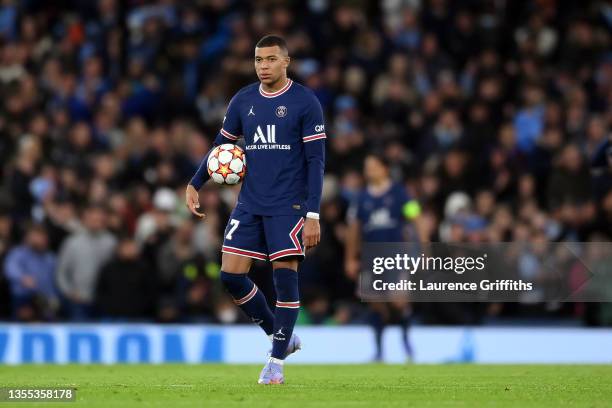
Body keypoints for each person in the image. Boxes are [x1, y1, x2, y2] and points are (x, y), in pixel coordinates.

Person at [185, 35, 326, 384]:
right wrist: (195, 182)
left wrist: (313, 213)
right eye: (258, 59)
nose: (263, 66)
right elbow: (222, 149)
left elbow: (316, 161)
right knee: (230, 275)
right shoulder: (243, 100)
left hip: (289, 205)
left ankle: (275, 363)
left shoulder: (305, 102)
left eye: (270, 59)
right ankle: (279, 335)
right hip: (249, 203)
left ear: (286, 62)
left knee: (284, 281)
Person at [345, 154, 414, 362]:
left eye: (374, 166)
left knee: (398, 300)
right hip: (370, 258)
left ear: (385, 168)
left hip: (395, 256)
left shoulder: (400, 193)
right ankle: (379, 351)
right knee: (375, 301)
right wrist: (350, 258)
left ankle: (405, 342)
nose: (370, 171)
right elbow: (354, 229)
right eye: (367, 167)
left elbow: (414, 217)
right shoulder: (361, 197)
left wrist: (421, 247)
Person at [4, 223, 58, 320]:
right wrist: (23, 278)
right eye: (35, 236)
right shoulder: (18, 253)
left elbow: (51, 279)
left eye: (42, 237)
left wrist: (53, 297)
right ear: (28, 237)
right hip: (23, 297)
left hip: (43, 300)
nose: (39, 240)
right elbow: (10, 269)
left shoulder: (50, 257)